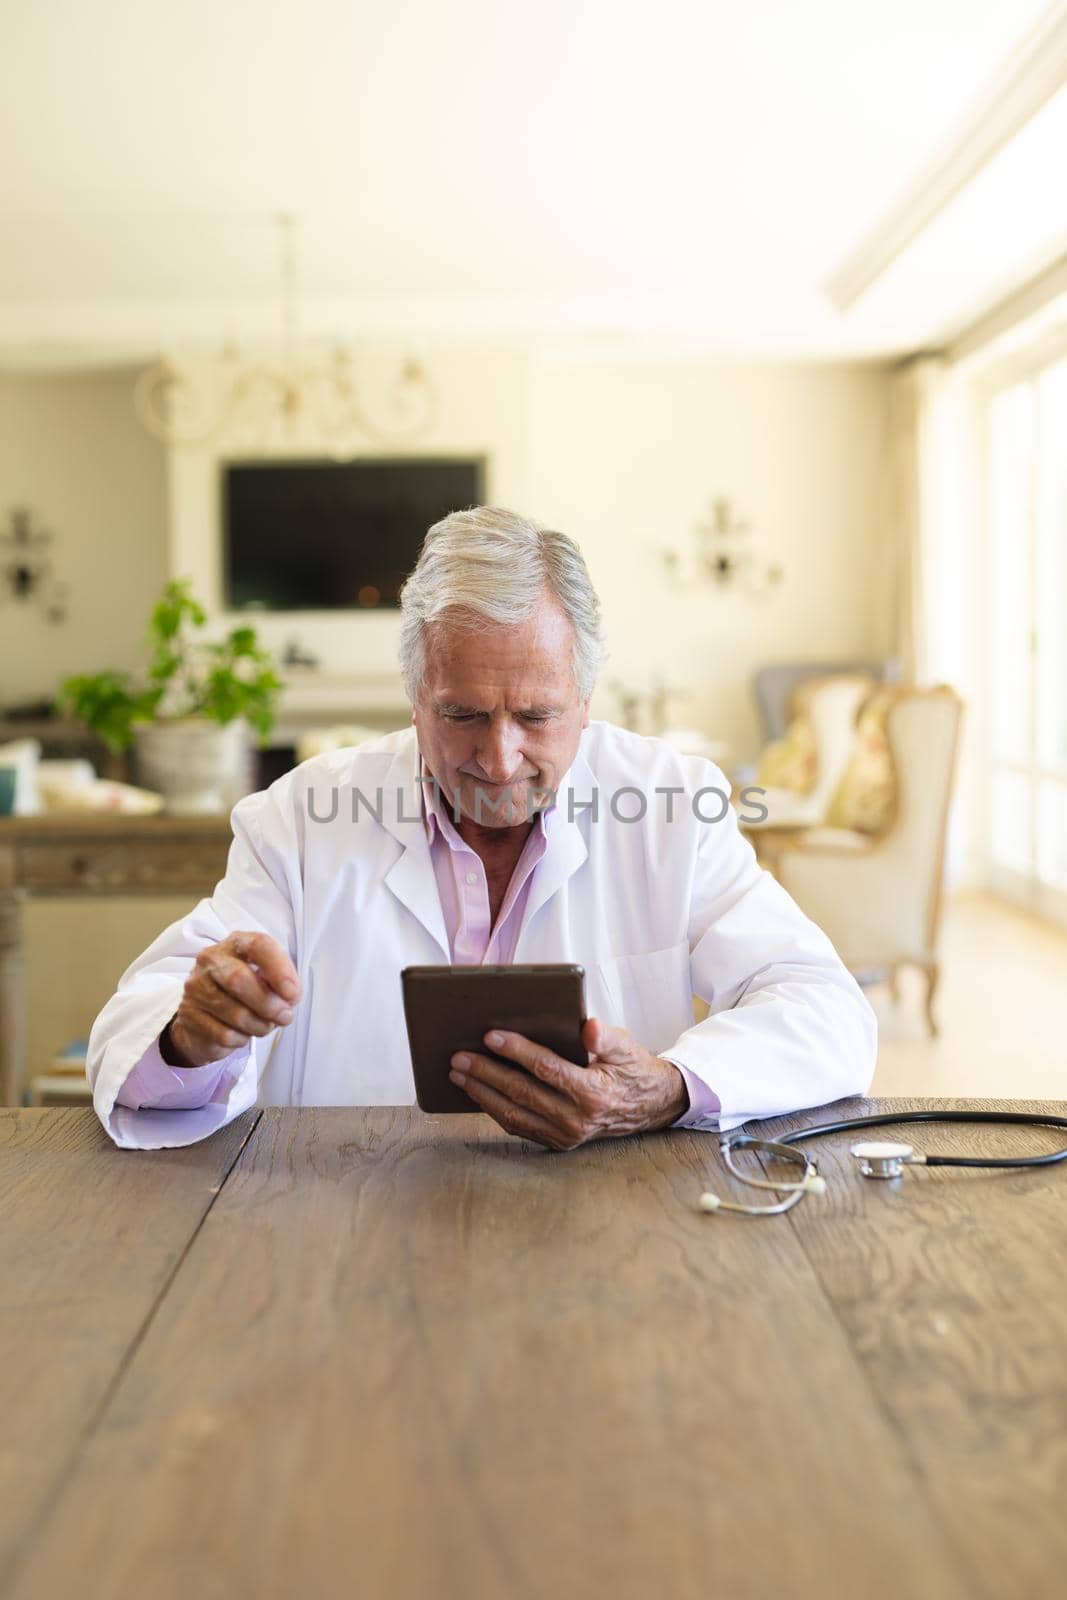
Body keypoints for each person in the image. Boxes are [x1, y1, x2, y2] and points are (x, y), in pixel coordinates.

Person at [87, 506, 876, 1151]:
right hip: (343, 1222)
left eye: (536, 716)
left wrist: (667, 1089)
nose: (499, 761)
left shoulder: (673, 805)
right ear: (414, 695)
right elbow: (146, 1019)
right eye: (461, 714)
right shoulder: (300, 817)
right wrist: (193, 1035)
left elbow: (825, 1012)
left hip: (615, 1227)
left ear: (587, 699)